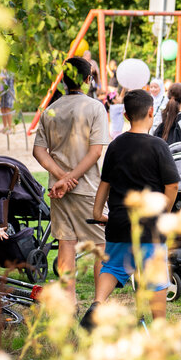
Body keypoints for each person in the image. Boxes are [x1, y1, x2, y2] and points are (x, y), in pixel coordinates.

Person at [89, 89, 180, 323]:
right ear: (151, 112)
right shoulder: (159, 146)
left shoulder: (116, 145)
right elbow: (172, 186)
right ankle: (159, 324)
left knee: (112, 268)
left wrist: (98, 213)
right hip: (149, 225)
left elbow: (104, 183)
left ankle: (97, 304)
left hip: (119, 221)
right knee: (157, 276)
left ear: (126, 115)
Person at [33, 57, 110, 296]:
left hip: (58, 189)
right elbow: (96, 151)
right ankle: (99, 303)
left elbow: (38, 151)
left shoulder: (50, 110)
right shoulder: (95, 107)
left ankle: (68, 302)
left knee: (65, 244)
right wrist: (71, 179)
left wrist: (61, 178)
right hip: (87, 188)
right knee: (99, 245)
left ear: (64, 80)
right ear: (88, 80)